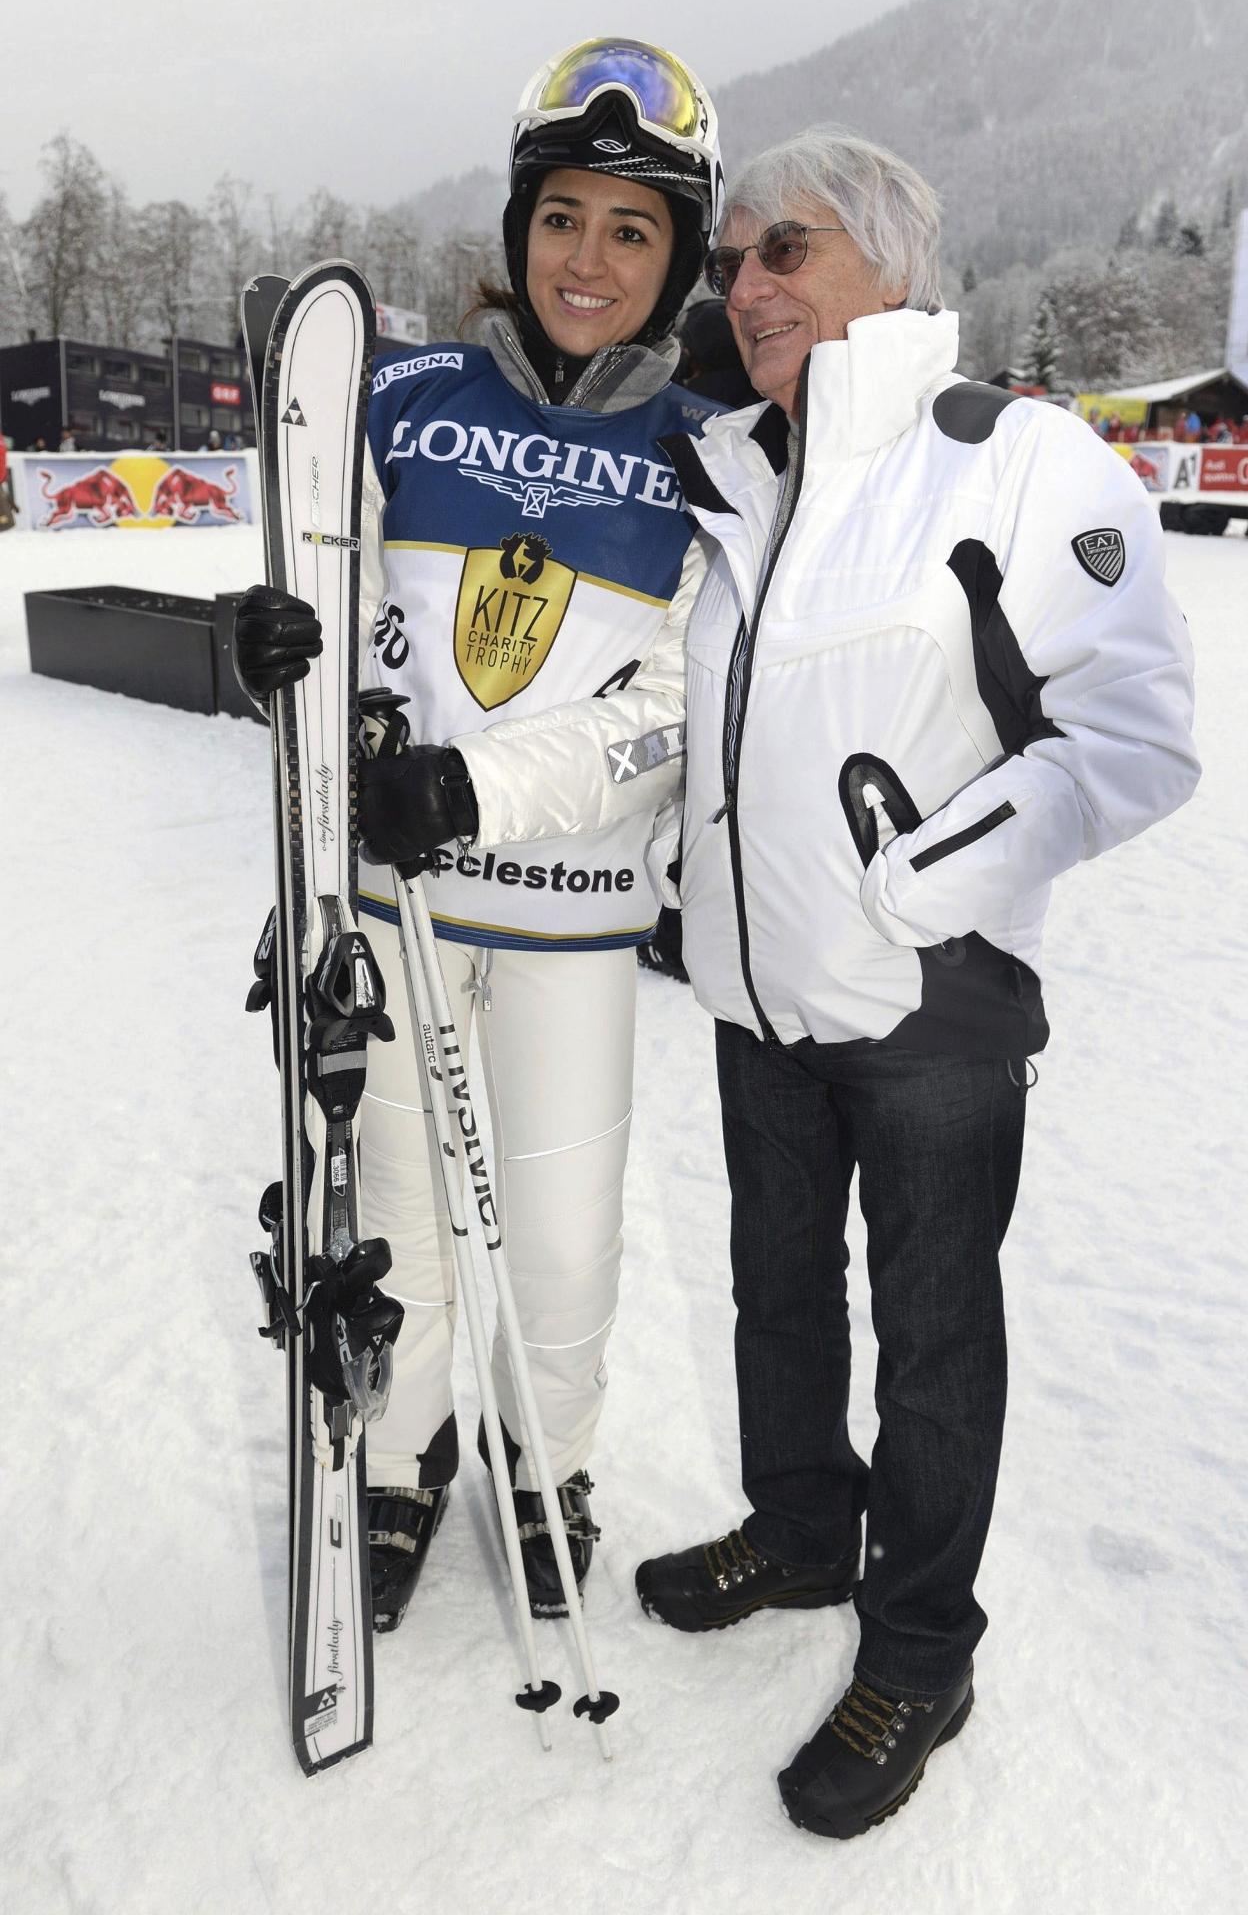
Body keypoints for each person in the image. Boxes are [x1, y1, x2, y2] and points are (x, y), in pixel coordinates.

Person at [355, 125, 1200, 1835]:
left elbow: (1136, 737)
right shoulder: (740, 465)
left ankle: (922, 1648)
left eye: (784, 253)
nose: (746, 288)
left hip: (929, 1006)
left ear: (891, 267)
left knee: (938, 1341)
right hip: (752, 992)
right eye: (733, 259)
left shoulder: (1016, 461)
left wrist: (924, 884)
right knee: (780, 1301)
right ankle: (807, 1531)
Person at [233, 38, 723, 1630]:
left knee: (565, 1245)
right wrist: (262, 654)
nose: (590, 259)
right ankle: (401, 1459)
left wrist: (482, 788)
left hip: (571, 913)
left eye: (633, 231)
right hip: (395, 911)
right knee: (402, 1220)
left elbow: (673, 708)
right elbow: (323, 590)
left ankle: (546, 1458)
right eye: (565, 216)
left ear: (676, 261)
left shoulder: (713, 452)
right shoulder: (397, 395)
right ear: (519, 230)